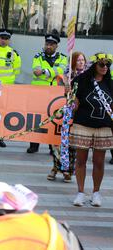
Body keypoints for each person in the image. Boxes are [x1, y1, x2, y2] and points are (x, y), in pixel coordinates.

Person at [71, 53, 113, 207]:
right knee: (81, 160)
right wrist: (71, 100)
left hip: (103, 127)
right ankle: (80, 193)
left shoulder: (110, 84)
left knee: (99, 162)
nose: (105, 67)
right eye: (102, 64)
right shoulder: (81, 81)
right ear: (94, 65)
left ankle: (96, 193)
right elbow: (73, 103)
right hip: (83, 125)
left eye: (107, 65)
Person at [47, 51, 87, 182]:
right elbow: (54, 94)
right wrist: (65, 88)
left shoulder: (88, 78)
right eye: (78, 60)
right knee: (57, 143)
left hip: (77, 116)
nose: (81, 62)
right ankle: (55, 168)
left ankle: (68, 170)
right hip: (61, 114)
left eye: (83, 60)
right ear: (73, 62)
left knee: (72, 145)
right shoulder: (64, 77)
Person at [27, 33, 68, 155]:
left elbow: (61, 70)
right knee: (36, 118)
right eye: (47, 44)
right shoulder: (37, 56)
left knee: (53, 119)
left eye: (51, 44)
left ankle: (52, 147)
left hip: (54, 94)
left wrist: (45, 71)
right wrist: (52, 72)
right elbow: (36, 71)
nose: (48, 46)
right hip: (38, 93)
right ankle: (34, 145)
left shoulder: (63, 58)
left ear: (56, 46)